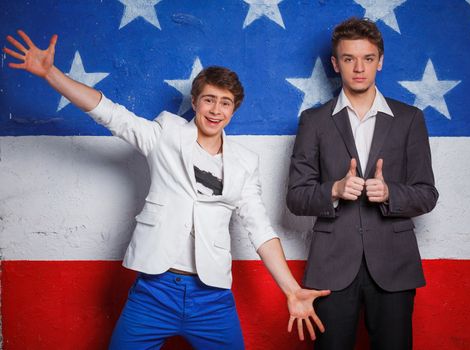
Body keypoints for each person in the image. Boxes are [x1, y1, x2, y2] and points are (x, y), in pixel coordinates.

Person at [3, 30, 330, 349]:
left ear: (234, 110)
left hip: (212, 299)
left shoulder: (245, 163)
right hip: (154, 292)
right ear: (196, 101)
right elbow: (112, 115)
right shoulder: (165, 133)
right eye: (209, 100)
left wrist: (290, 290)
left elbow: (260, 229)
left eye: (225, 103)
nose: (216, 110)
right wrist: (51, 74)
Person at [286, 17, 439, 350]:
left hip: (394, 266)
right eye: (348, 59)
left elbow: (427, 194)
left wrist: (389, 193)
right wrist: (334, 191)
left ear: (380, 61)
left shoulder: (410, 119)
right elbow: (296, 197)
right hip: (332, 265)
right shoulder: (313, 121)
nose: (359, 68)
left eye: (368, 58)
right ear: (335, 64)